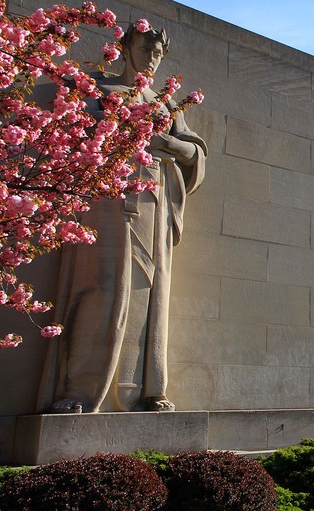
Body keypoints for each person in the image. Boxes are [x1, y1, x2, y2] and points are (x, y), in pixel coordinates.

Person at [36, 24, 206, 413]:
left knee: (150, 293)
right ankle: (78, 391)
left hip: (154, 204)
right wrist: (120, 133)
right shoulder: (101, 89)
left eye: (158, 52)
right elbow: (72, 134)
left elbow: (195, 153)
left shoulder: (165, 104)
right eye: (146, 48)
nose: (152, 57)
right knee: (102, 287)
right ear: (126, 48)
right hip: (106, 202)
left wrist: (167, 143)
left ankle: (147, 389)